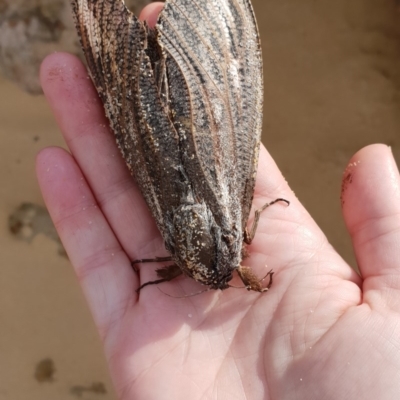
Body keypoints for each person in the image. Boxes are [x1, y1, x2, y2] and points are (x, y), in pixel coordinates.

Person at [36, 2, 400, 399]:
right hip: (185, 160)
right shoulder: (198, 254)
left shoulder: (228, 248)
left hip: (184, 176)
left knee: (137, 115)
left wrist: (249, 223)